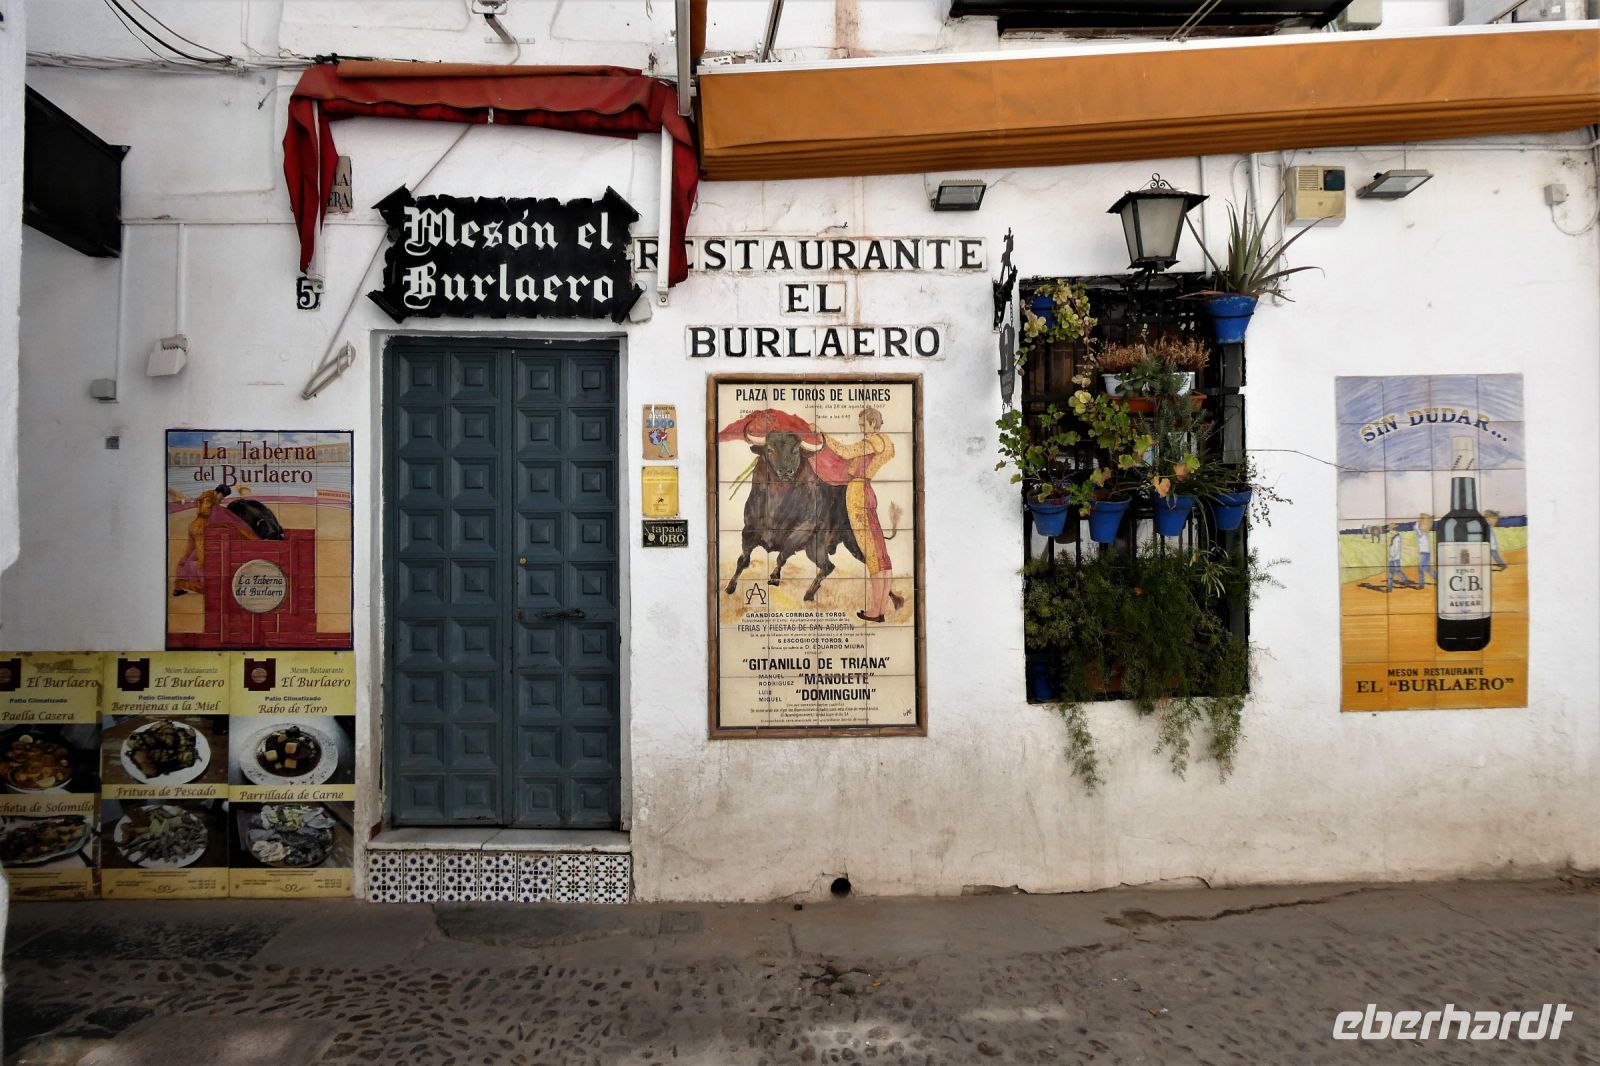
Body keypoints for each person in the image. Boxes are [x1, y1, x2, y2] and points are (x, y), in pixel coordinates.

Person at [818, 408, 896, 622]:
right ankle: (879, 610)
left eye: (863, 425)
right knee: (880, 555)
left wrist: (823, 436)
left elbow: (845, 451)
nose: (861, 429)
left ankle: (876, 611)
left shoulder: (873, 441)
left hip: (858, 495)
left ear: (873, 423)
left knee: (872, 555)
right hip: (865, 491)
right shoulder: (885, 442)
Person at [171, 486, 261, 597]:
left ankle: (179, 586)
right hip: (200, 529)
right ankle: (206, 587)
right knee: (202, 559)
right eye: (222, 496)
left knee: (189, 555)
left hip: (195, 526)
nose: (222, 499)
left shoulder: (207, 497)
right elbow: (206, 511)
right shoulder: (209, 497)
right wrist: (219, 512)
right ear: (218, 492)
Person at [1415, 513, 1436, 589]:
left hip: (1424, 553)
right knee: (1427, 569)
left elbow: (1416, 528)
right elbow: (1417, 528)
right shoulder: (1424, 532)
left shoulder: (1422, 533)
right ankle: (1438, 578)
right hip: (1426, 552)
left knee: (1420, 568)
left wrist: (1419, 520)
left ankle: (1421, 584)